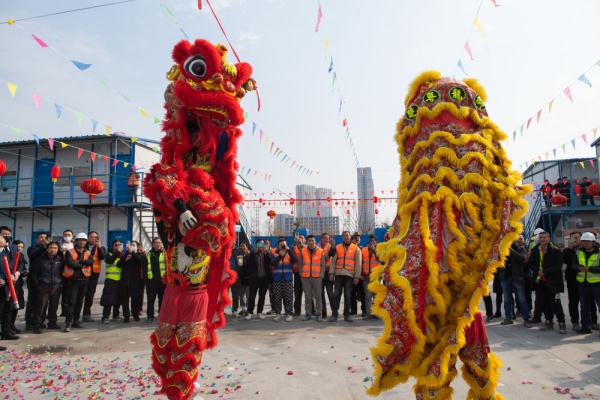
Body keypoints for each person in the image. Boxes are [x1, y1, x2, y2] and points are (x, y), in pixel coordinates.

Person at [528, 231, 566, 334]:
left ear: (549, 238)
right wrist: (537, 271)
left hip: (553, 281)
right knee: (544, 302)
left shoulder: (556, 250)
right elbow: (531, 263)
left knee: (555, 303)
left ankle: (562, 323)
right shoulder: (535, 249)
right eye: (541, 238)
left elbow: (558, 265)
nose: (543, 239)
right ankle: (549, 321)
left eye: (545, 237)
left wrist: (544, 272)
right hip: (540, 281)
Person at [29, 241, 63, 333]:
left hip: (56, 287)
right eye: (51, 247)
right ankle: (37, 325)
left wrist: (60, 284)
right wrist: (37, 286)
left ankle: (52, 323)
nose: (53, 250)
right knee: (40, 307)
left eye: (55, 248)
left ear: (58, 249)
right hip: (43, 286)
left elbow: (63, 273)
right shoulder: (39, 260)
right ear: (47, 249)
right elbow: (33, 275)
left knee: (54, 307)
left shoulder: (60, 260)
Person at [329, 231, 361, 322]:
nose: (346, 237)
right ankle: (334, 314)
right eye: (344, 236)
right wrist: (331, 273)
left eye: (347, 236)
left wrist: (356, 277)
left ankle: (347, 314)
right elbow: (333, 261)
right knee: (336, 295)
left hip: (349, 276)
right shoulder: (337, 247)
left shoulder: (356, 249)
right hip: (338, 275)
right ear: (342, 237)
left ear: (350, 237)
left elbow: (358, 264)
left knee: (348, 295)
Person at [63, 233, 93, 332]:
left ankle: (76, 321)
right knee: (71, 302)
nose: (82, 242)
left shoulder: (88, 252)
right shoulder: (70, 252)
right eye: (80, 240)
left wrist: (79, 262)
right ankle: (68, 322)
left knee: (80, 302)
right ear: (76, 241)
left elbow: (91, 262)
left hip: (84, 280)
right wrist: (83, 264)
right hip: (72, 281)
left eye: (84, 240)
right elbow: (70, 263)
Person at [573, 232, 600, 335]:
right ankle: (585, 327)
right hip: (583, 284)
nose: (586, 243)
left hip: (597, 284)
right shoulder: (578, 252)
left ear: (593, 242)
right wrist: (578, 268)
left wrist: (590, 269)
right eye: (584, 241)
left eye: (588, 241)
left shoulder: (599, 252)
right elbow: (573, 265)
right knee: (584, 307)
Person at [500, 236, 530, 326]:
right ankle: (508, 318)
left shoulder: (521, 248)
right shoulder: (501, 250)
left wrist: (510, 250)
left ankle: (526, 319)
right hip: (505, 278)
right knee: (507, 299)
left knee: (521, 299)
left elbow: (523, 258)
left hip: (517, 278)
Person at [0, 230, 25, 342]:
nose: (6, 236)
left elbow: (20, 262)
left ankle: (6, 332)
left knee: (8, 309)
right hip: (2, 283)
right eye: (4, 234)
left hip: (11, 283)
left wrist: (17, 273)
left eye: (8, 234)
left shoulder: (14, 248)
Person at [100, 240, 129, 324]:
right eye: (116, 245)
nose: (118, 246)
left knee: (118, 299)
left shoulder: (122, 255)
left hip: (120, 281)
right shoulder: (109, 254)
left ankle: (116, 315)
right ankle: (105, 317)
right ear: (113, 246)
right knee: (108, 299)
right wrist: (117, 253)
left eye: (120, 244)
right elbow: (110, 260)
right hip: (111, 279)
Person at [25, 233, 50, 331]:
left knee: (43, 302)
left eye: (45, 238)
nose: (43, 239)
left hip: (45, 279)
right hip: (33, 279)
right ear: (37, 240)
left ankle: (40, 321)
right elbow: (32, 256)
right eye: (41, 238)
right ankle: (29, 321)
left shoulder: (49, 250)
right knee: (32, 301)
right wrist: (44, 247)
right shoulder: (32, 248)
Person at [299, 235, 326, 321]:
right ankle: (308, 314)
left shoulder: (320, 251)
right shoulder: (303, 251)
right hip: (306, 278)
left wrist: (321, 276)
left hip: (317, 278)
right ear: (307, 242)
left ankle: (319, 314)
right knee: (307, 297)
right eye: (309, 240)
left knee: (318, 296)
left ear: (315, 241)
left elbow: (323, 265)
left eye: (313, 240)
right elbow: (300, 264)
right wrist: (301, 274)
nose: (311, 242)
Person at [243, 241, 272, 320]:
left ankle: (259, 312)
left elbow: (270, 261)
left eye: (262, 245)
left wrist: (266, 253)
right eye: (259, 244)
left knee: (262, 297)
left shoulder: (265, 254)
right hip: (254, 279)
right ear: (256, 245)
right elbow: (247, 263)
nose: (260, 246)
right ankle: (249, 313)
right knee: (252, 297)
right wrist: (253, 253)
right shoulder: (252, 254)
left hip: (264, 279)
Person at [119, 241, 147, 322]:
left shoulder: (140, 254)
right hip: (126, 280)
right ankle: (126, 316)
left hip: (136, 281)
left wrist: (132, 253)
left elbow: (140, 260)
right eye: (131, 245)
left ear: (137, 247)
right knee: (125, 299)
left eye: (134, 245)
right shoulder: (126, 254)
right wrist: (125, 259)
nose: (132, 246)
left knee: (135, 299)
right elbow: (119, 264)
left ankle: (135, 315)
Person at [82, 231, 106, 322]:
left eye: (95, 237)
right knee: (80, 295)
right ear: (88, 238)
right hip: (83, 274)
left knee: (90, 295)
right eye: (91, 237)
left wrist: (99, 247)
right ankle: (74, 315)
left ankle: (86, 315)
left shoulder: (101, 247)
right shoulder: (83, 246)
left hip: (94, 275)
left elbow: (102, 257)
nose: (93, 239)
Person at [271, 238, 296, 322]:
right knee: (277, 297)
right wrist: (280, 255)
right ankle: (278, 313)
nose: (282, 246)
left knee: (288, 297)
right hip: (277, 278)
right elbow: (273, 264)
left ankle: (289, 314)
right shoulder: (274, 253)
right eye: (281, 245)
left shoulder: (289, 253)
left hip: (288, 278)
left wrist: (288, 250)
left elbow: (294, 260)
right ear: (278, 245)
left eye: (284, 244)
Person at [146, 237, 166, 322]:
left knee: (162, 299)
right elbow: (145, 267)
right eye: (156, 243)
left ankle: (161, 315)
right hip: (151, 281)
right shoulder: (148, 254)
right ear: (153, 244)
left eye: (159, 243)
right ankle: (150, 316)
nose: (158, 244)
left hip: (162, 281)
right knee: (151, 299)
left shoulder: (164, 253)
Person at [361, 235, 380, 320]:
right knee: (367, 296)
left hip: (376, 277)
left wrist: (374, 251)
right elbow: (361, 262)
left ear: (376, 242)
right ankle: (368, 314)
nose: (372, 242)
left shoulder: (380, 249)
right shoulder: (364, 250)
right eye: (370, 241)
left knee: (376, 296)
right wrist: (361, 274)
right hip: (366, 277)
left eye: (373, 241)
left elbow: (382, 260)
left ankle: (377, 313)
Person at [11, 239, 26, 334]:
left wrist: (23, 272)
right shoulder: (9, 256)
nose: (19, 249)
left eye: (21, 247)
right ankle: (7, 327)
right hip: (10, 285)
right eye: (18, 247)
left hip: (18, 285)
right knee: (9, 308)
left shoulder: (21, 256)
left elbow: (22, 268)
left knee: (16, 307)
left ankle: (12, 325)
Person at [232, 242, 250, 317]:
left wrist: (237, 274)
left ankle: (235, 310)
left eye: (233, 242)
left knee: (237, 295)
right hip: (227, 277)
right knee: (225, 295)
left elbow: (240, 264)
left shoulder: (239, 252)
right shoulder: (226, 251)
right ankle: (222, 311)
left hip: (238, 277)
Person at [59, 229, 74, 317]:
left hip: (72, 271)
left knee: (71, 292)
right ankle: (64, 311)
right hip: (62, 271)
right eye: (65, 235)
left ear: (72, 236)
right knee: (64, 293)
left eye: (69, 235)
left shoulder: (74, 245)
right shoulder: (59, 245)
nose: (67, 236)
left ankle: (70, 310)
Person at [320, 233, 335, 319]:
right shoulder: (317, 247)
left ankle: (334, 311)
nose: (326, 240)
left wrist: (331, 273)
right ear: (321, 238)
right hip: (319, 273)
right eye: (325, 238)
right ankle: (323, 312)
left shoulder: (330, 247)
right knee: (321, 294)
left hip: (328, 273)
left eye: (328, 238)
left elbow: (332, 255)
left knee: (330, 293)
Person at [350, 233, 365, 316]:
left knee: (362, 294)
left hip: (361, 275)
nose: (357, 240)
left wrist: (361, 274)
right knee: (352, 294)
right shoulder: (350, 249)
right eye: (355, 239)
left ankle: (364, 310)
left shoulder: (363, 249)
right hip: (351, 275)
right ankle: (353, 310)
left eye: (358, 238)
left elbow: (364, 263)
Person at [292, 235, 306, 316]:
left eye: (302, 238)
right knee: (297, 293)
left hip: (307, 273)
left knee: (309, 293)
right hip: (297, 273)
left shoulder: (307, 248)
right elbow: (293, 259)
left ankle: (312, 310)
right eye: (299, 238)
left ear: (304, 240)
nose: (300, 239)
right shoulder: (294, 248)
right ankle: (297, 311)